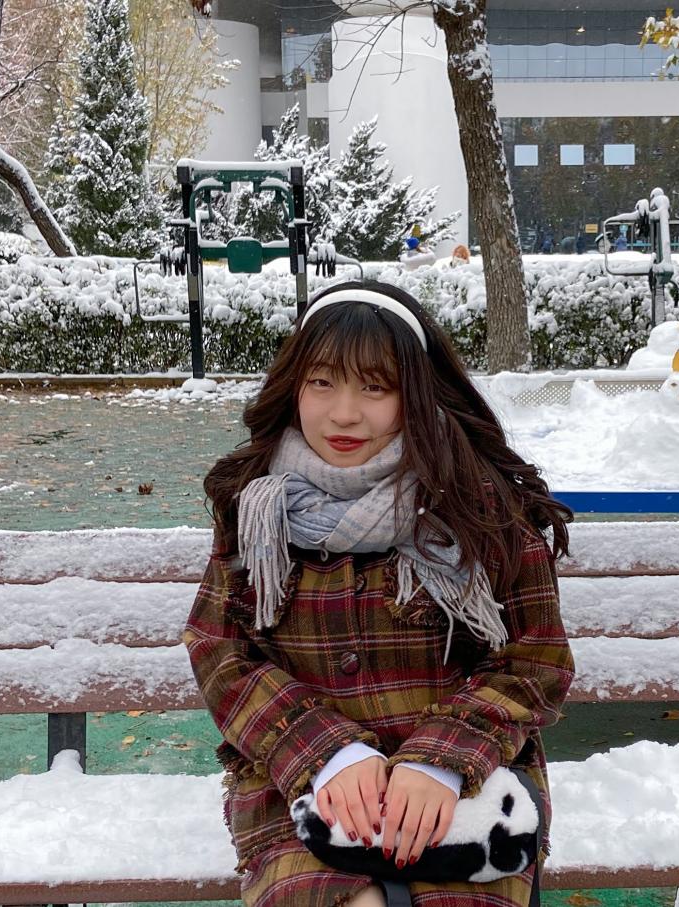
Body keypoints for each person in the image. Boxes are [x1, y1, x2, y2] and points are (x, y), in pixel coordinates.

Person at [185, 280, 574, 907]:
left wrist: (439, 761)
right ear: (293, 387)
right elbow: (221, 651)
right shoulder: (256, 509)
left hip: (466, 783)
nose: (344, 413)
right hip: (304, 783)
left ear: (414, 393)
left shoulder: (479, 509)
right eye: (322, 383)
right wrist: (328, 754)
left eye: (375, 387)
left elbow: (537, 660)